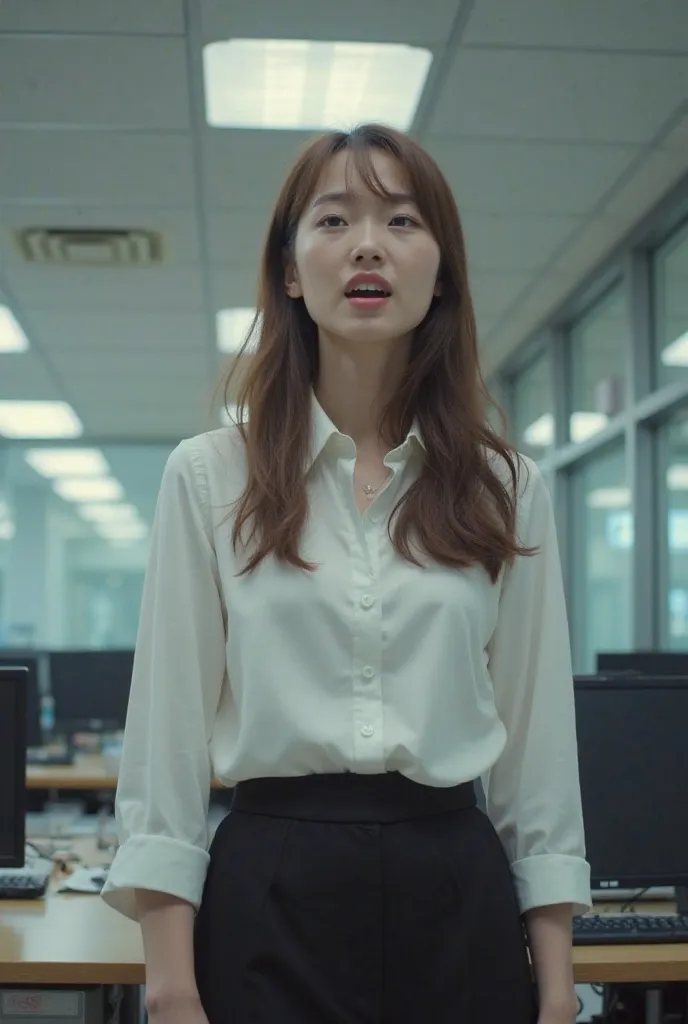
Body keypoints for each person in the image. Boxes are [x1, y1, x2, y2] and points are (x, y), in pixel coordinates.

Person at [101, 122, 591, 1024]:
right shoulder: (209, 476)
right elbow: (163, 742)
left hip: (457, 888)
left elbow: (536, 750)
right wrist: (170, 986)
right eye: (334, 220)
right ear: (291, 270)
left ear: (441, 272)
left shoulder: (505, 486)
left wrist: (558, 986)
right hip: (269, 885)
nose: (368, 243)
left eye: (402, 221)